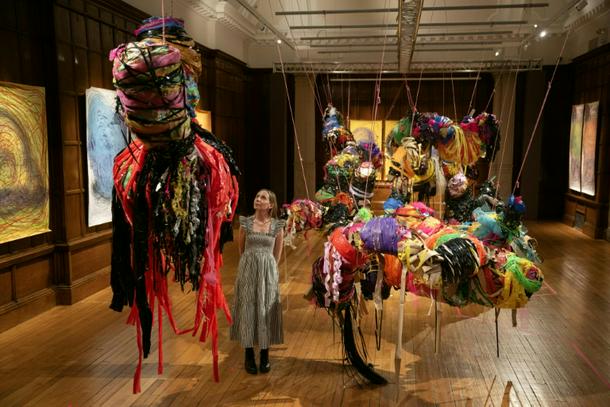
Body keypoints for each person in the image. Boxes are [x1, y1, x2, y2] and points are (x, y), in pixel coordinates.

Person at [230, 189, 285, 374]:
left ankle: (264, 354)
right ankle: (248, 355)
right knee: (248, 310)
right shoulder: (245, 223)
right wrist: (250, 265)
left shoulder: (276, 226)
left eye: (263, 197)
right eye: (257, 196)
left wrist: (269, 272)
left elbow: (277, 255)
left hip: (267, 273)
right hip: (248, 271)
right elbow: (241, 250)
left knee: (265, 311)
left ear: (270, 205)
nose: (258, 199)